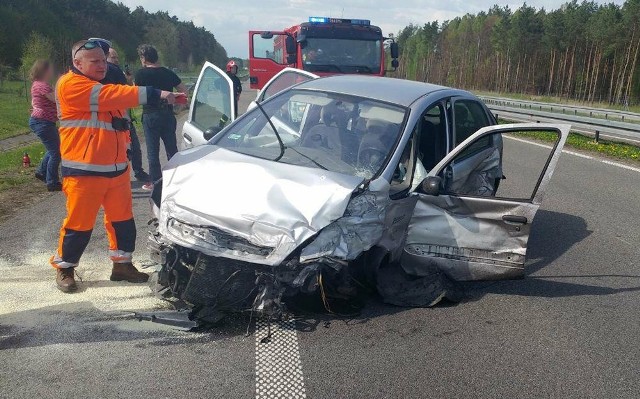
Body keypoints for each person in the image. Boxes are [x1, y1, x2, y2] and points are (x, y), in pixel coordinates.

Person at [51, 39, 183, 292]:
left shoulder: (105, 83)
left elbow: (120, 122)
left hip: (116, 170)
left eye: (104, 60)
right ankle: (65, 268)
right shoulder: (71, 85)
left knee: (123, 221)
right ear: (77, 63)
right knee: (78, 224)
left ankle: (122, 265)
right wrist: (157, 93)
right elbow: (111, 97)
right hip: (83, 170)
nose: (102, 65)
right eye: (95, 61)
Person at [88, 38, 151, 183]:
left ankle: (110, 176)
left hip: (112, 117)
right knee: (130, 147)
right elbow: (127, 93)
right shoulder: (114, 71)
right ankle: (132, 173)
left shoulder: (89, 74)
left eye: (117, 57)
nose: (116, 60)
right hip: (120, 117)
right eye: (113, 57)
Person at [134, 44, 187, 189]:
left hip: (150, 114)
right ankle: (176, 179)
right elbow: (183, 90)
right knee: (171, 148)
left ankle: (155, 183)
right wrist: (178, 106)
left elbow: (134, 95)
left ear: (144, 58)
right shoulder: (168, 73)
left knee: (153, 151)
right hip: (168, 113)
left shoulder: (140, 74)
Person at [28, 60, 61, 191]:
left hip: (43, 122)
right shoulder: (42, 85)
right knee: (56, 152)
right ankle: (52, 182)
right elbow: (57, 99)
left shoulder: (38, 84)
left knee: (52, 149)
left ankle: (42, 172)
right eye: (50, 69)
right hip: (43, 122)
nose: (52, 71)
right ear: (44, 71)